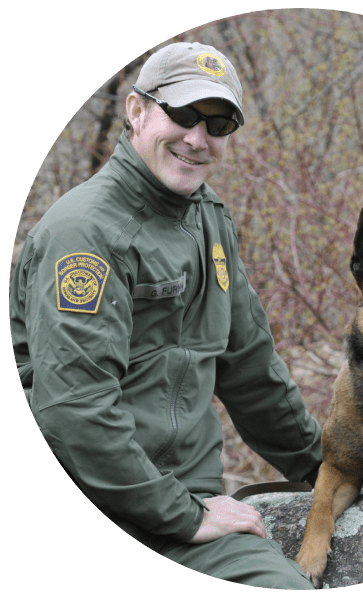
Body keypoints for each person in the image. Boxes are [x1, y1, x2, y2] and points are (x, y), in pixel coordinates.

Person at [10, 42, 321, 590]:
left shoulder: (210, 221)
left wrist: (328, 469)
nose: (197, 139)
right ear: (136, 111)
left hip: (186, 513)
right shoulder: (83, 234)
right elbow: (73, 410)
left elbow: (251, 369)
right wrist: (189, 516)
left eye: (218, 123)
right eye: (181, 115)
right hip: (98, 503)